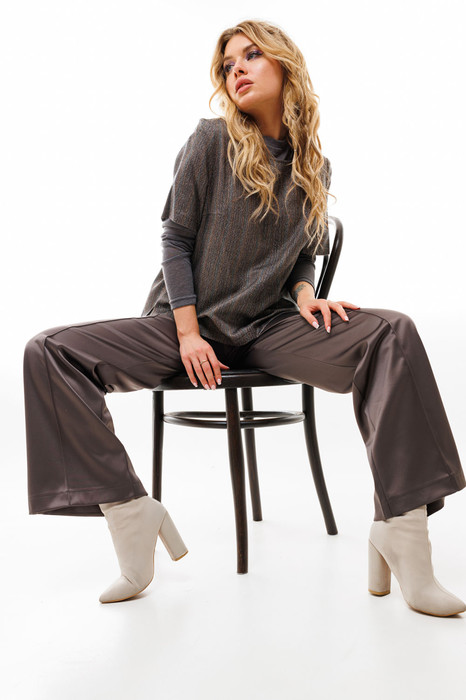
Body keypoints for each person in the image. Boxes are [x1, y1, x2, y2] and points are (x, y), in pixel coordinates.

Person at [23, 19, 466, 615]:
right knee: (49, 351)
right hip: (183, 327)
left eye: (252, 55)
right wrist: (187, 333)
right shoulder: (211, 140)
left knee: (393, 331)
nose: (237, 69)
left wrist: (306, 294)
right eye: (228, 63)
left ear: (285, 65)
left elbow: (305, 252)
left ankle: (402, 530)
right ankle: (128, 510)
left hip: (267, 330)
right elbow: (176, 240)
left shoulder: (314, 166)